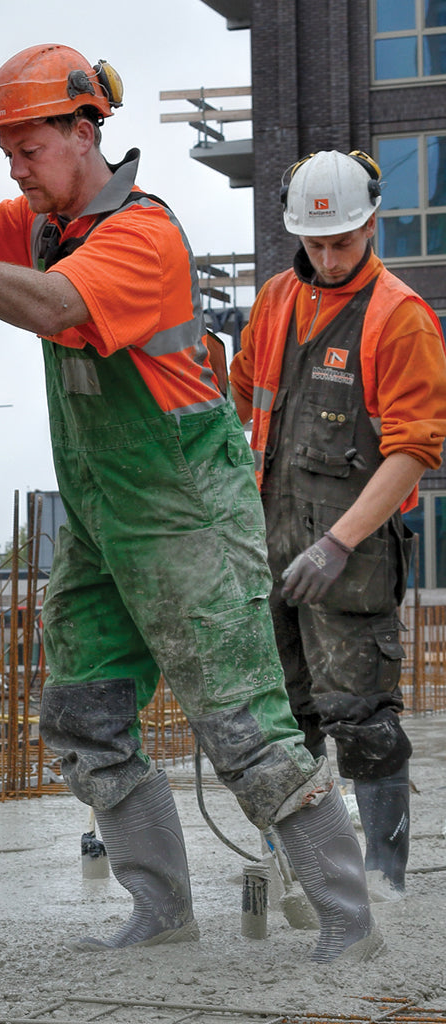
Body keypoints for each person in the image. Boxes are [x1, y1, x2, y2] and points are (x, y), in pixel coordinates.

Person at [0, 42, 380, 961]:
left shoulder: (138, 235)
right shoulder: (49, 221)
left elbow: (52, 309)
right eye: (7, 152)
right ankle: (161, 911)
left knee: (242, 728)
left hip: (184, 520)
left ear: (85, 131)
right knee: (85, 718)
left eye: (29, 148)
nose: (15, 167)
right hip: (102, 519)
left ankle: (347, 922)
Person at [229, 149, 446, 899]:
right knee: (278, 723)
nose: (326, 257)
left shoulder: (399, 320)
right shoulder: (273, 304)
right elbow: (241, 413)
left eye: (342, 242)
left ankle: (384, 888)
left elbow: (415, 451)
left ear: (370, 224)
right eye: (314, 243)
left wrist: (337, 541)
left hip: (349, 560)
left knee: (361, 722)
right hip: (269, 547)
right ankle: (296, 873)